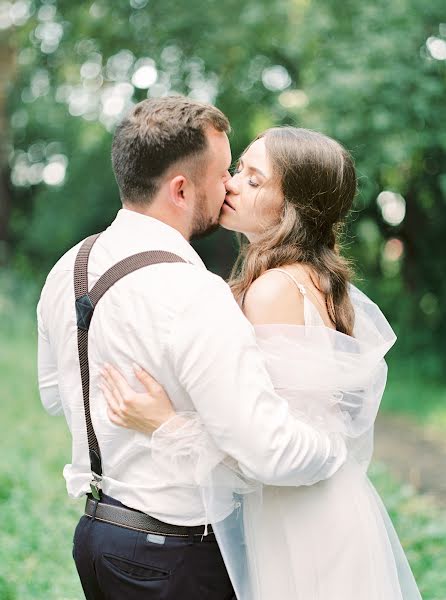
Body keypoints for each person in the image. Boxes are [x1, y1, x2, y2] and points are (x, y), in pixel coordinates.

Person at [37, 97, 349, 600]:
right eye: (225, 172)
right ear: (181, 189)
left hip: (97, 537)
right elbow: (269, 451)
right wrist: (338, 446)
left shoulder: (68, 267)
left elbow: (56, 394)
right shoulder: (194, 293)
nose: (228, 186)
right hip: (174, 555)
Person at [101, 127, 422, 598]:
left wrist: (166, 425)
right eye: (238, 170)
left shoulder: (273, 290)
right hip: (321, 500)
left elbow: (264, 445)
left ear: (293, 207)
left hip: (299, 515)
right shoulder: (308, 277)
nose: (230, 184)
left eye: (254, 180)